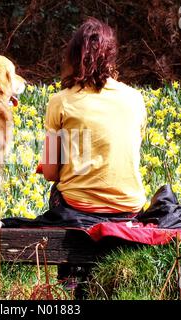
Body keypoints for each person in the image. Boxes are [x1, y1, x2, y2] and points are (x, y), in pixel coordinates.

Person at [40, 17, 147, 216]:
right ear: (112, 57)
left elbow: (50, 173)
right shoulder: (135, 98)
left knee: (57, 189)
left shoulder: (61, 101)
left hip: (79, 207)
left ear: (72, 57)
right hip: (130, 207)